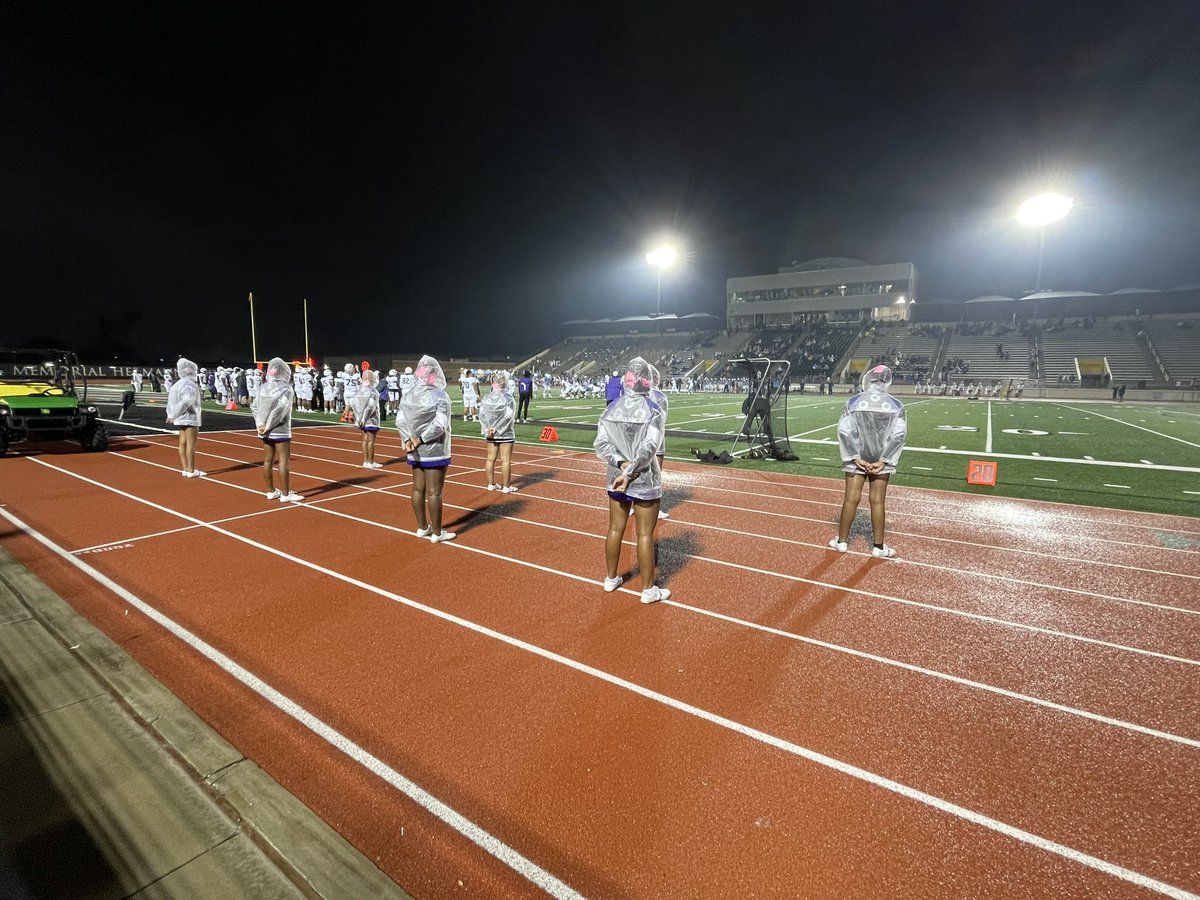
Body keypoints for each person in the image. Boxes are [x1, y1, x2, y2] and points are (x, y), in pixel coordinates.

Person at [594, 357, 670, 604]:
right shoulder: (654, 410)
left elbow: (601, 444)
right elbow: (650, 449)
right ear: (647, 381)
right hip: (644, 478)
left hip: (616, 478)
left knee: (615, 528)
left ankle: (610, 578)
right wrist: (632, 470)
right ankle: (648, 590)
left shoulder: (611, 407)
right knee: (645, 535)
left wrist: (621, 466)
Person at [829, 364, 907, 558]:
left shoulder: (853, 401)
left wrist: (855, 457)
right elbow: (899, 435)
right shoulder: (896, 405)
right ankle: (878, 547)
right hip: (881, 460)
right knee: (878, 501)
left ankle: (842, 542)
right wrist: (884, 460)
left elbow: (844, 431)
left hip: (856, 459)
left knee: (850, 499)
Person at [398, 355, 455, 543]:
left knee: (417, 489)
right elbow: (440, 424)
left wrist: (408, 439)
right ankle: (438, 533)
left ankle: (423, 527)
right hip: (435, 448)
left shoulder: (408, 394)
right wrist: (421, 439)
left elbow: (400, 420)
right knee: (434, 492)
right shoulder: (440, 395)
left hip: (414, 449)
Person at [252, 357, 302, 502]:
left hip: (264, 430)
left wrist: (260, 424)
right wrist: (268, 425)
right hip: (280, 429)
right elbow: (281, 409)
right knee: (283, 461)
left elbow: (254, 406)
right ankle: (286, 494)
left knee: (267, 460)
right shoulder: (286, 388)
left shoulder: (263, 387)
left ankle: (270, 491)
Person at [165, 357, 205, 478]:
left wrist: (171, 414)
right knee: (190, 445)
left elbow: (170, 403)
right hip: (190, 417)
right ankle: (191, 470)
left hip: (181, 417)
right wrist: (175, 414)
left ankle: (185, 468)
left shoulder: (177, 384)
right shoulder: (190, 384)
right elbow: (187, 400)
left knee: (182, 443)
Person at [647, 363, 670, 520]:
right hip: (656, 443)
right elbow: (661, 421)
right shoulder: (660, 397)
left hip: (635, 443)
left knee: (633, 475)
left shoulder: (630, 395)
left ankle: (632, 506)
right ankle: (654, 510)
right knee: (655, 477)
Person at [353, 368, 383, 467]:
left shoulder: (360, 391)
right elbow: (370, 407)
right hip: (371, 419)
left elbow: (356, 405)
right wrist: (364, 419)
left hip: (362, 418)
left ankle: (366, 461)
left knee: (365, 440)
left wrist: (359, 418)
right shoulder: (373, 392)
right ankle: (370, 461)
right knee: (370, 441)